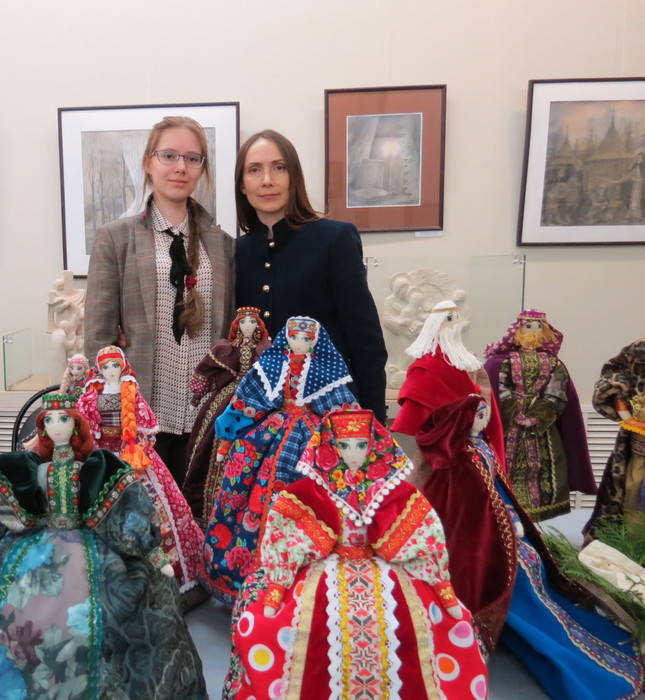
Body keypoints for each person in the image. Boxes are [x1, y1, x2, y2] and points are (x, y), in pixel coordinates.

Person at [0, 393, 207, 700]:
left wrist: (154, 555)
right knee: (3, 595)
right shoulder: (28, 467)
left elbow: (126, 507)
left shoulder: (97, 465)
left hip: (89, 542)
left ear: (76, 425)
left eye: (63, 419)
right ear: (42, 428)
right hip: (37, 539)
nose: (56, 425)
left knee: (119, 597)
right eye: (49, 420)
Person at [224, 408, 488, 699]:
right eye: (345, 446)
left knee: (414, 623)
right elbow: (286, 534)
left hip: (384, 564)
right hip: (325, 565)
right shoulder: (315, 490)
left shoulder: (390, 489)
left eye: (361, 445)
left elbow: (424, 532)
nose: (354, 454)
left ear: (374, 445)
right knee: (294, 623)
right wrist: (278, 586)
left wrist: (442, 587)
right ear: (330, 447)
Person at [418, 395, 645, 700]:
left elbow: (498, 492)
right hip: (483, 539)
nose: (485, 421)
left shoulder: (481, 446)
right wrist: (508, 524)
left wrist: (513, 519)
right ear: (464, 420)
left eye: (485, 414)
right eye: (479, 415)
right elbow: (470, 504)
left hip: (503, 529)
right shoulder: (462, 458)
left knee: (533, 564)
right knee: (520, 574)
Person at [84, 115, 236, 482]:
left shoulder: (223, 245)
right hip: (139, 418)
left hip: (206, 416)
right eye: (169, 156)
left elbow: (230, 335)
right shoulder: (115, 239)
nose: (180, 167)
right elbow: (98, 339)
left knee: (197, 510)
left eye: (192, 158)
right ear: (148, 163)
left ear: (202, 168)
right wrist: (106, 414)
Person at [199, 316, 356, 605]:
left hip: (309, 438)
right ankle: (244, 577)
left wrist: (354, 447)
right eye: (294, 338)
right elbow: (247, 401)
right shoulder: (272, 365)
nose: (300, 343)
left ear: (315, 342)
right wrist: (227, 438)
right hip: (272, 432)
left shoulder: (325, 371)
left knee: (309, 496)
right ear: (286, 339)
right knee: (247, 478)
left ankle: (300, 589)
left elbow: (342, 412)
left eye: (306, 339)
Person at [233, 129, 387, 423]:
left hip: (328, 414)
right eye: (254, 170)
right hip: (256, 419)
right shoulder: (235, 252)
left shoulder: (335, 239)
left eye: (279, 168)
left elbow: (366, 344)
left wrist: (373, 424)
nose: (267, 180)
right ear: (242, 184)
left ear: (294, 177)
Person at [76, 345, 203, 605]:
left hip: (132, 454)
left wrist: (135, 446)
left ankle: (172, 573)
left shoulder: (131, 392)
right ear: (99, 370)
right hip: (102, 455)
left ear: (123, 366)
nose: (111, 371)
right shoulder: (90, 397)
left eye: (115, 366)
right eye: (106, 367)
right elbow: (85, 429)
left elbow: (145, 426)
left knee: (158, 503)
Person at [484, 310, 595, 520]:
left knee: (540, 467)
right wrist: (514, 412)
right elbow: (498, 388)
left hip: (542, 428)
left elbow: (557, 392)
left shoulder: (553, 363)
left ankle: (536, 520)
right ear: (518, 331)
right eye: (529, 327)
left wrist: (537, 416)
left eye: (538, 327)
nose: (533, 331)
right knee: (505, 466)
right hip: (509, 425)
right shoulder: (502, 361)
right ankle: (506, 516)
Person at [182, 306, 270, 526]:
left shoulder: (266, 350)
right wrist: (196, 397)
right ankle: (204, 508)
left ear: (258, 326)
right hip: (227, 398)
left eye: (252, 323)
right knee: (210, 438)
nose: (248, 326)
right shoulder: (226, 349)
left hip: (255, 399)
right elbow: (206, 370)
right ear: (237, 326)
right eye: (243, 323)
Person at [391, 299, 506, 466]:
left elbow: (482, 390)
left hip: (472, 435)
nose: (455, 325)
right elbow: (417, 408)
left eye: (456, 318)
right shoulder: (427, 365)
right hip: (439, 442)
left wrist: (480, 401)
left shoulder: (467, 361)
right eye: (450, 319)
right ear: (436, 325)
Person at [584, 337, 645, 539]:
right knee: (633, 490)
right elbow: (614, 373)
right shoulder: (639, 349)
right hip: (640, 444)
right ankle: (635, 541)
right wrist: (629, 417)